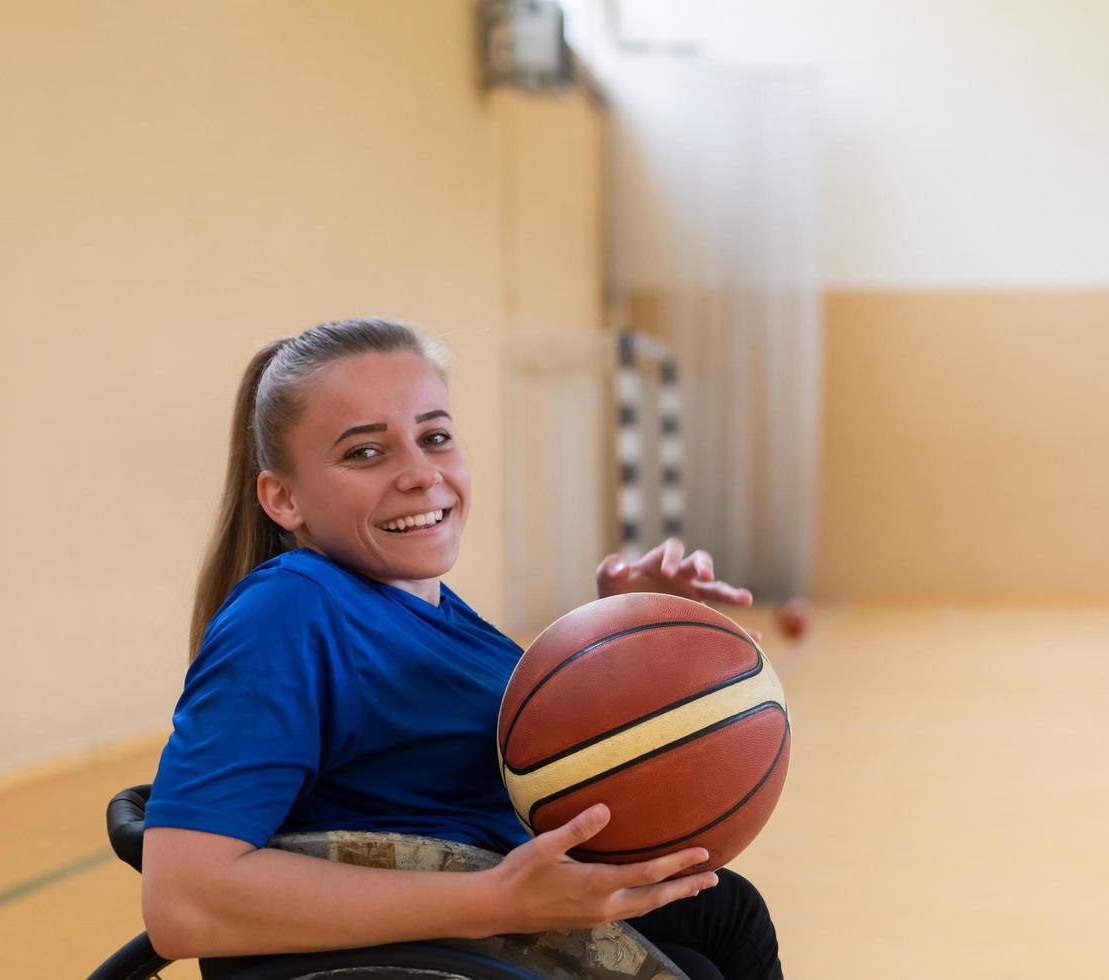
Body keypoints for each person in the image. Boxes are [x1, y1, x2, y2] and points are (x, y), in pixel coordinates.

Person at [141, 318, 784, 979]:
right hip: (426, 955)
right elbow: (183, 901)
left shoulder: (428, 608)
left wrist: (620, 640)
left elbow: (514, 748)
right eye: (365, 453)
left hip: (484, 931)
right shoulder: (290, 612)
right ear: (283, 497)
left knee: (723, 916)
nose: (420, 474)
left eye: (435, 437)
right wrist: (495, 901)